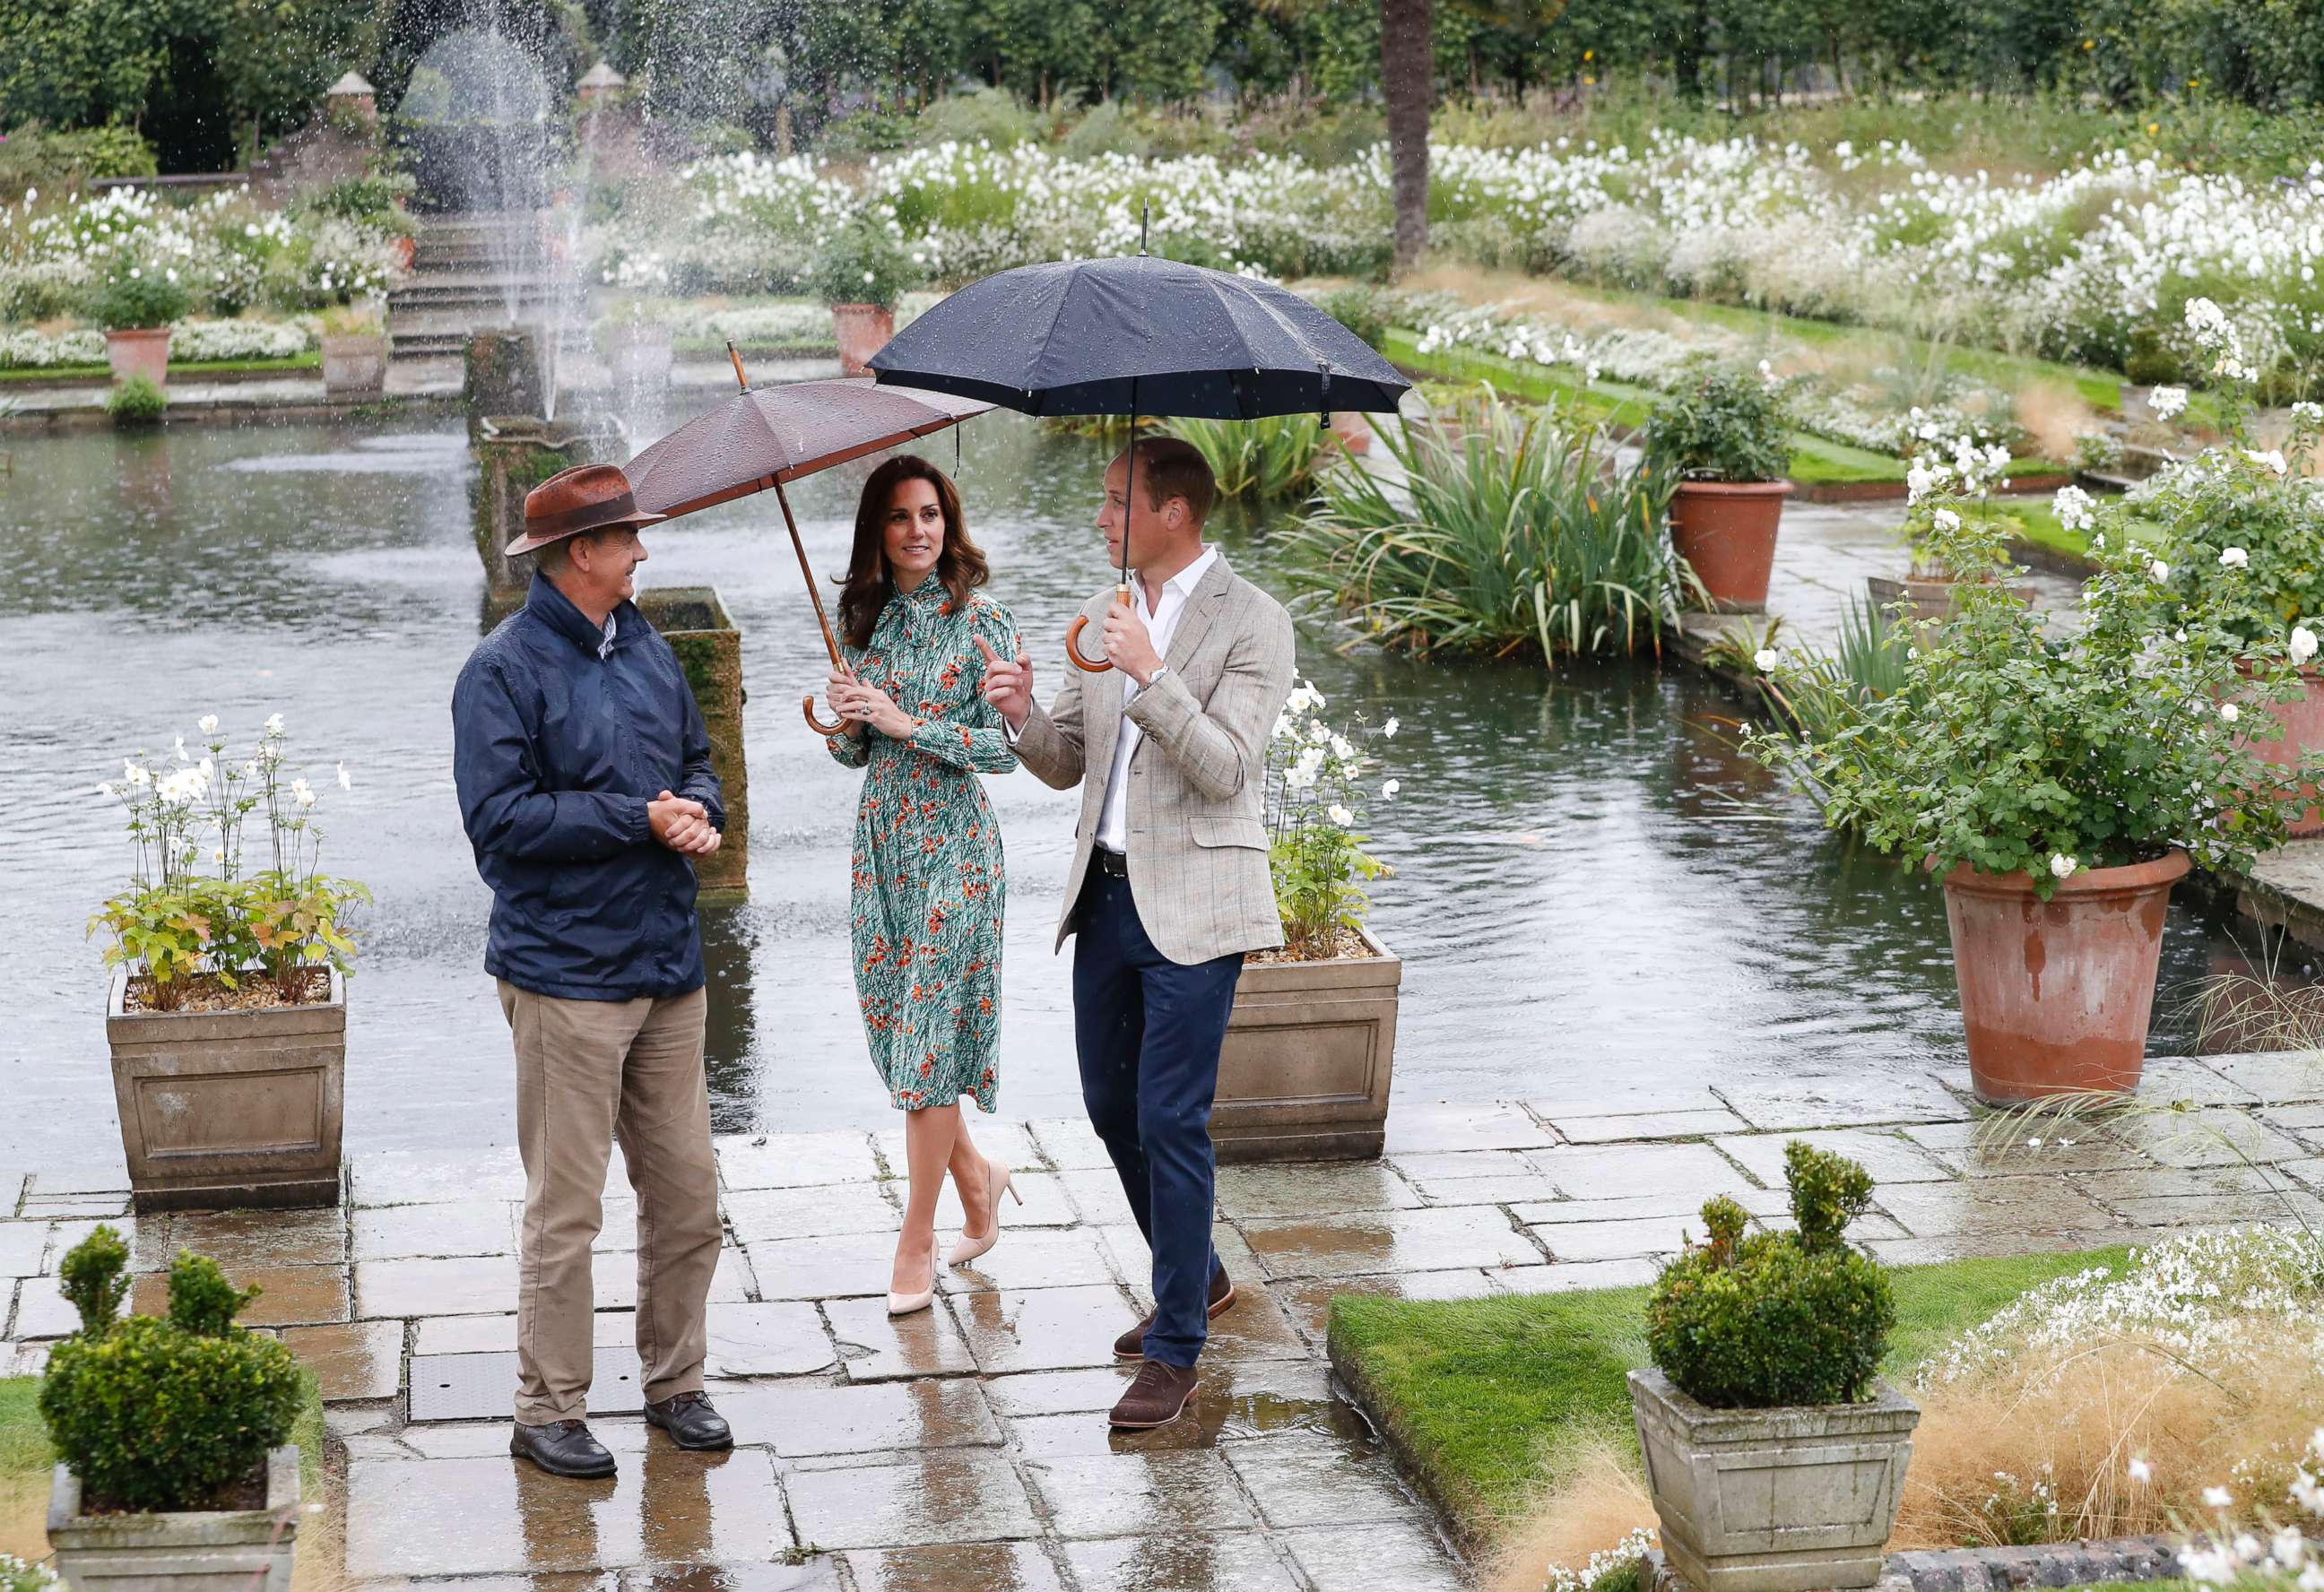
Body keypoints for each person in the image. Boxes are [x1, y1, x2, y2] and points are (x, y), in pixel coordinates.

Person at [977, 437, 1296, 1430]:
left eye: (1119, 502)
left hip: (1200, 903)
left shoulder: (1256, 621)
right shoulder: (1106, 613)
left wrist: (1153, 672)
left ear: (1175, 514)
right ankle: (1195, 1277)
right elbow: (1069, 761)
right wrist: (1025, 714)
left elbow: (1226, 768)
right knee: (1112, 1105)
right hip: (1105, 899)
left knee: (1171, 1117)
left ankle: (1174, 1352)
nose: (1102, 517)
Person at [451, 462, 734, 1480]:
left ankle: (677, 1383)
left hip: (667, 967)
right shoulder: (502, 671)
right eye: (627, 540)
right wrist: (636, 817)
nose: (642, 554)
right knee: (566, 1211)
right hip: (564, 980)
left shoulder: (648, 647)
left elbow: (698, 761)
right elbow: (501, 828)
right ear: (584, 555)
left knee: (690, 1195)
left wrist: (702, 809)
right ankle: (547, 1411)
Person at [824, 455, 1025, 1316]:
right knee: (906, 1043)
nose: (918, 530)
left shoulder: (983, 620)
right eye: (901, 517)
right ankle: (979, 1179)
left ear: (950, 523)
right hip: (885, 849)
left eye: (931, 514)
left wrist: (909, 722)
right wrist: (843, 716)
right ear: (879, 530)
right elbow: (857, 754)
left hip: (958, 849)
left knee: (932, 1047)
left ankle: (917, 1238)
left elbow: (1004, 750)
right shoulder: (863, 622)